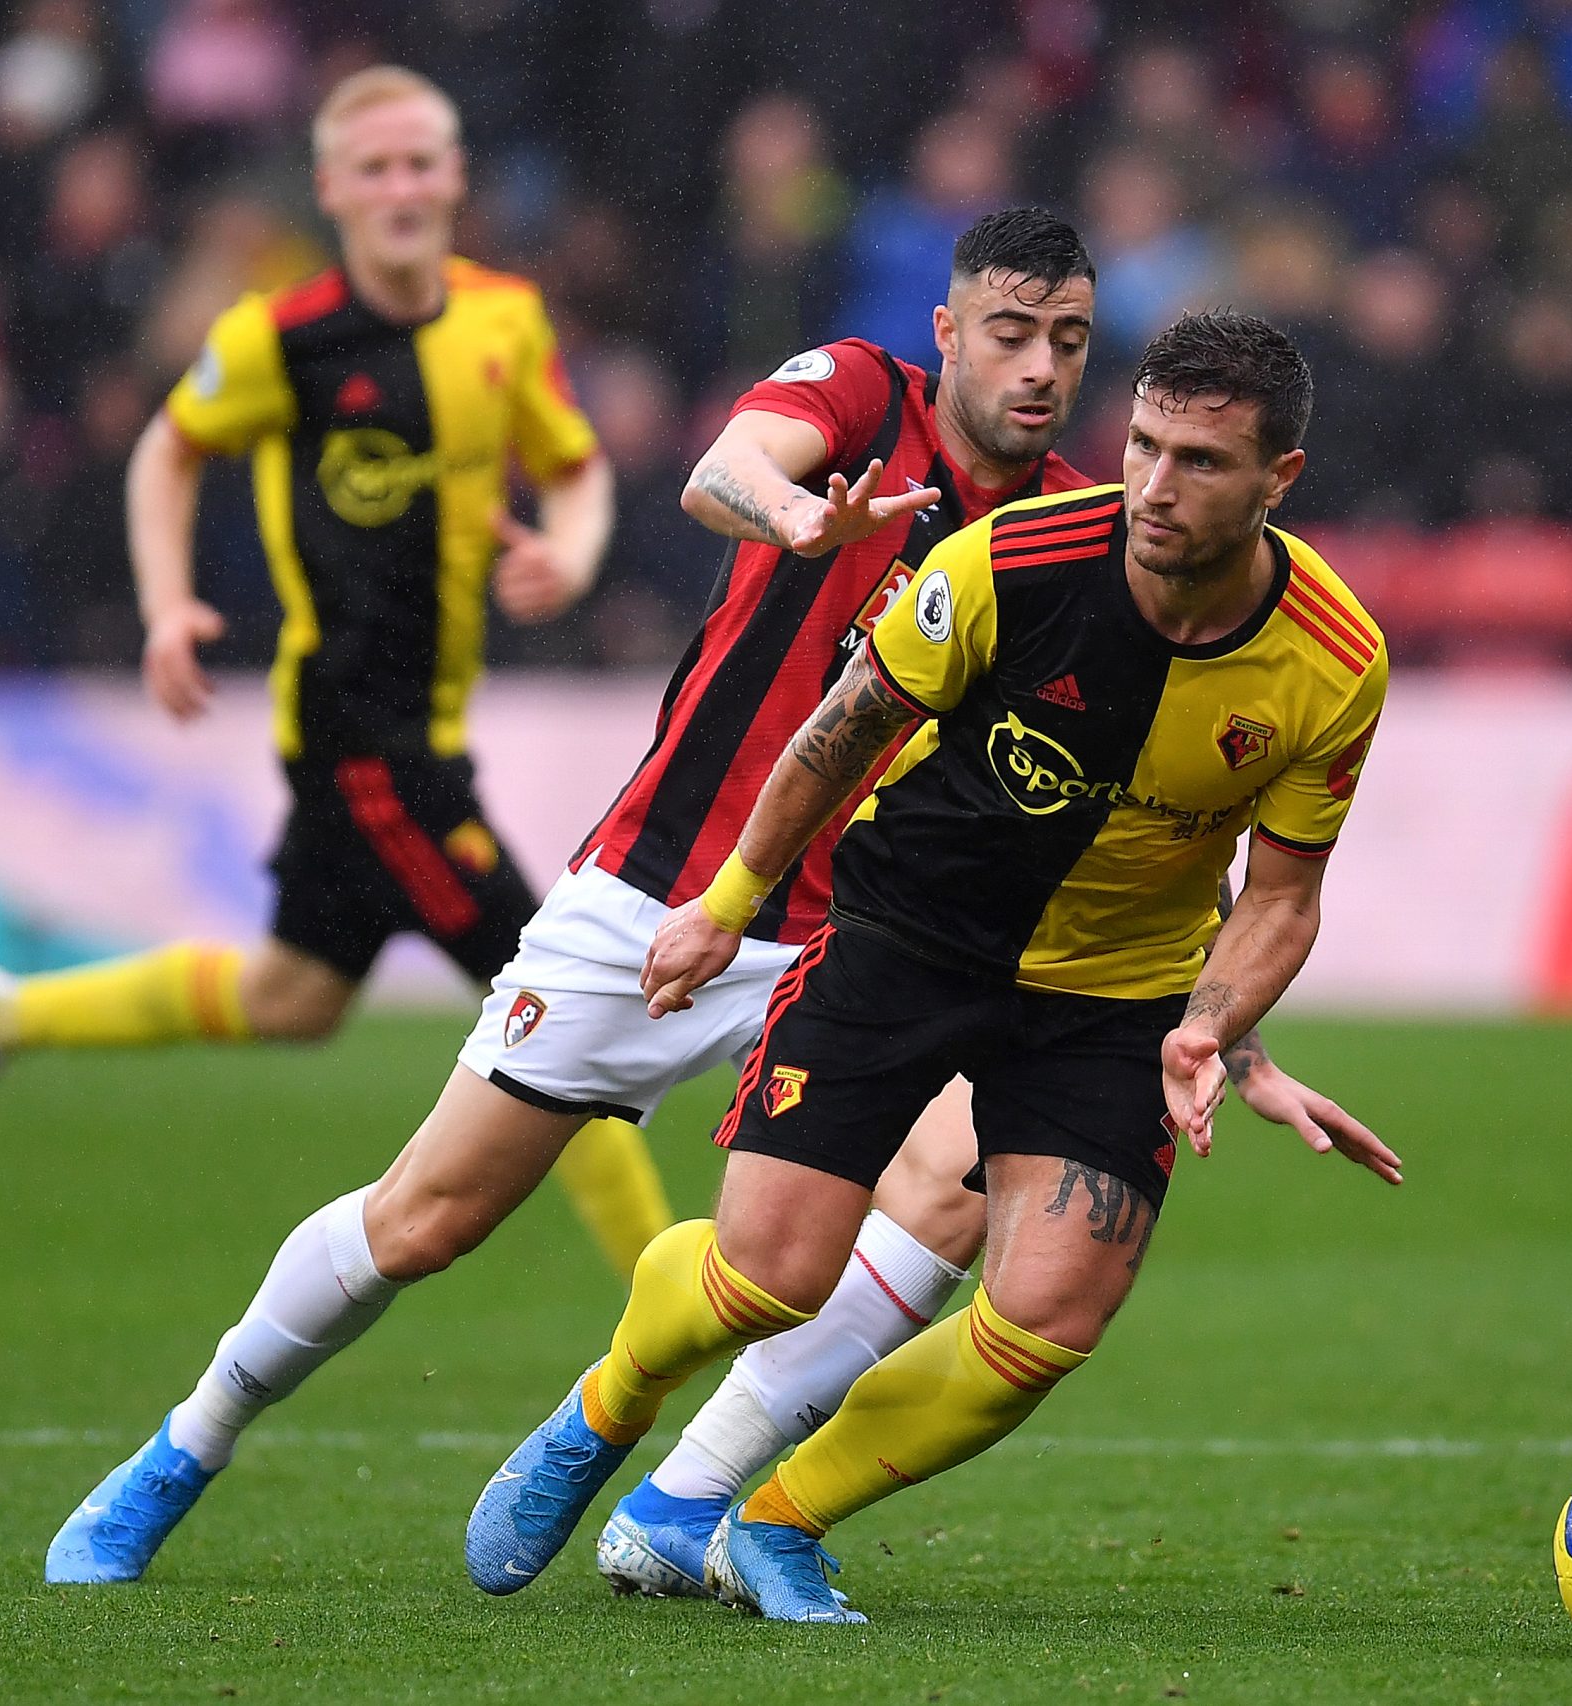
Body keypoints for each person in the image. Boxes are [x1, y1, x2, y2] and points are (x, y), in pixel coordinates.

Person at [469, 310, 1404, 1624]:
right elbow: (833, 741)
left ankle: (780, 1521)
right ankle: (608, 1401)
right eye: (1140, 445)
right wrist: (729, 904)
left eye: (1198, 461)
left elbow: (1284, 896)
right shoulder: (1008, 563)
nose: (1152, 485)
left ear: (1278, 480)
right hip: (907, 937)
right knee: (768, 1278)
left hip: (1110, 991)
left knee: (1041, 1324)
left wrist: (1209, 1024)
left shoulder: (1335, 658)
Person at [0, 67, 669, 1278]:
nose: (402, 185)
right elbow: (166, 449)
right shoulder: (282, 341)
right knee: (554, 1005)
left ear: (458, 178)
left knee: (293, 996)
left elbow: (573, 467)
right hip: (361, 730)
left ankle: (0, 1010)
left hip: (430, 720)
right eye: (375, 167)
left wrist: (566, 561)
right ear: (331, 190)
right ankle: (669, 1304)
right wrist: (166, 608)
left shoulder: (504, 320)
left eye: (423, 161)